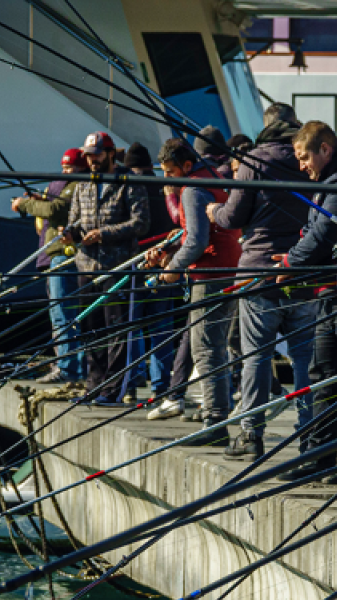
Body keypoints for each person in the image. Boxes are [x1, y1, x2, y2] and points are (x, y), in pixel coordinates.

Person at [207, 102, 313, 460]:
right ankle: (309, 435)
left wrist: (213, 212)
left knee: (255, 356)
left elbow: (232, 215)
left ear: (265, 125)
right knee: (304, 359)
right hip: (303, 269)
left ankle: (251, 435)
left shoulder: (254, 159)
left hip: (258, 271)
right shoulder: (307, 157)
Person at [271, 121, 337, 483]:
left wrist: (290, 262)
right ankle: (319, 455)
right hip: (327, 290)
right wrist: (295, 257)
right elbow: (314, 235)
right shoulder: (330, 181)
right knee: (323, 374)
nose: (301, 167)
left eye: (303, 157)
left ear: (325, 150)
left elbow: (324, 232)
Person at [146, 138, 242, 446]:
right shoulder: (214, 179)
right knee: (216, 346)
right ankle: (217, 416)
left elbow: (198, 240)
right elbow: (199, 234)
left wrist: (171, 267)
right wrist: (172, 251)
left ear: (187, 166)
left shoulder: (191, 189)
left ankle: (215, 422)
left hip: (209, 276)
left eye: (171, 173)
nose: (168, 181)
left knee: (206, 349)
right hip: (230, 271)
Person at [63, 131, 150, 404]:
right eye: (89, 156)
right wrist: (70, 233)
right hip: (87, 266)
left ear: (110, 153)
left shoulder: (128, 181)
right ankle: (94, 385)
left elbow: (141, 223)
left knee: (117, 328)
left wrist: (104, 233)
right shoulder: (82, 184)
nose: (92, 161)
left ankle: (113, 389)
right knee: (91, 327)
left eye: (97, 155)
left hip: (118, 267)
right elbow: (76, 220)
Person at [13, 148, 88, 385]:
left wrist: (25, 204)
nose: (66, 171)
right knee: (60, 314)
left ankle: (69, 369)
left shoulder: (77, 185)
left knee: (63, 314)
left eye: (70, 167)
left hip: (64, 257)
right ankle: (68, 366)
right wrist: (38, 201)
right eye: (64, 167)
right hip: (55, 256)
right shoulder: (67, 184)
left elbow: (55, 210)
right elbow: (51, 207)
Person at [120, 141, 179, 405]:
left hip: (136, 261)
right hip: (165, 261)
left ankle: (130, 385)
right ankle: (161, 386)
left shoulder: (128, 185)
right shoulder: (165, 186)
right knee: (161, 327)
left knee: (132, 326)